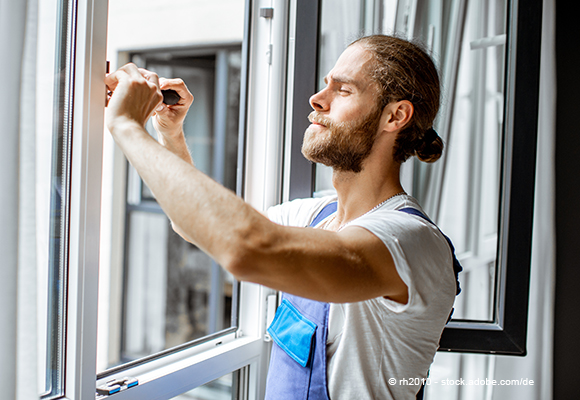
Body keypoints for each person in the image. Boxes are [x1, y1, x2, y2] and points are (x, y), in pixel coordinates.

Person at [105, 34, 460, 400]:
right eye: (326, 85)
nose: (317, 100)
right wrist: (170, 132)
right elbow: (196, 226)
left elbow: (246, 249)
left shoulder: (411, 241)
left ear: (395, 115)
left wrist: (127, 127)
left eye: (343, 90)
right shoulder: (314, 215)